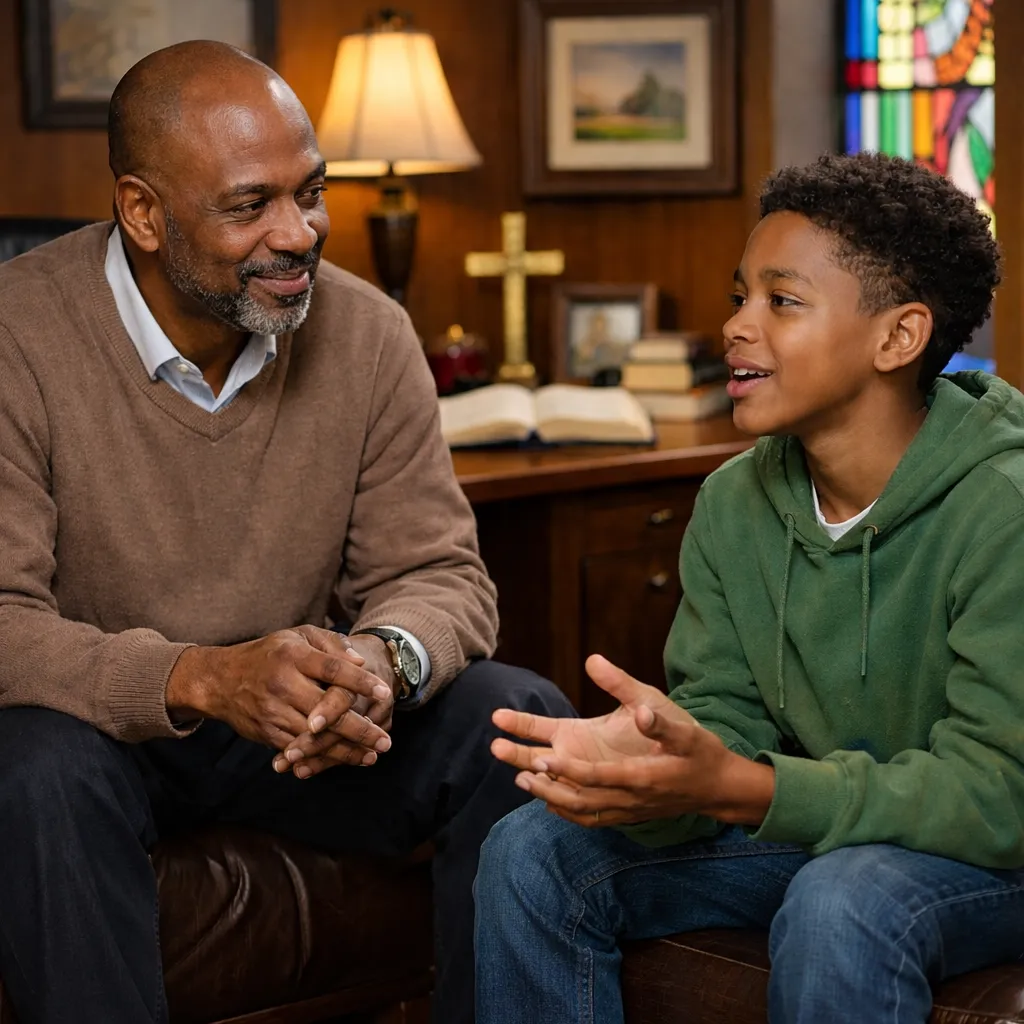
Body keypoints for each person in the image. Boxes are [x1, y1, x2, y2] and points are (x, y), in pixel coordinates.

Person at [0, 41, 572, 1024]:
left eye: (310, 191)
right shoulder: (18, 335)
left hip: (297, 731)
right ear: (143, 212)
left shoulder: (368, 330)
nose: (299, 231)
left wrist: (374, 662)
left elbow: (440, 574)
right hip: (107, 728)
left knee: (511, 716)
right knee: (34, 763)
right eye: (249, 204)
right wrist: (206, 678)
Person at [474, 152, 1024, 1024]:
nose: (736, 326)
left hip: (993, 856)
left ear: (898, 337)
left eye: (782, 301)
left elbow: (1000, 795)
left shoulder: (1005, 506)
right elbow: (726, 715)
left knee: (845, 897)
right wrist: (663, 758)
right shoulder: (733, 500)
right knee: (532, 848)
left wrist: (748, 789)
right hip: (815, 826)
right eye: (740, 297)